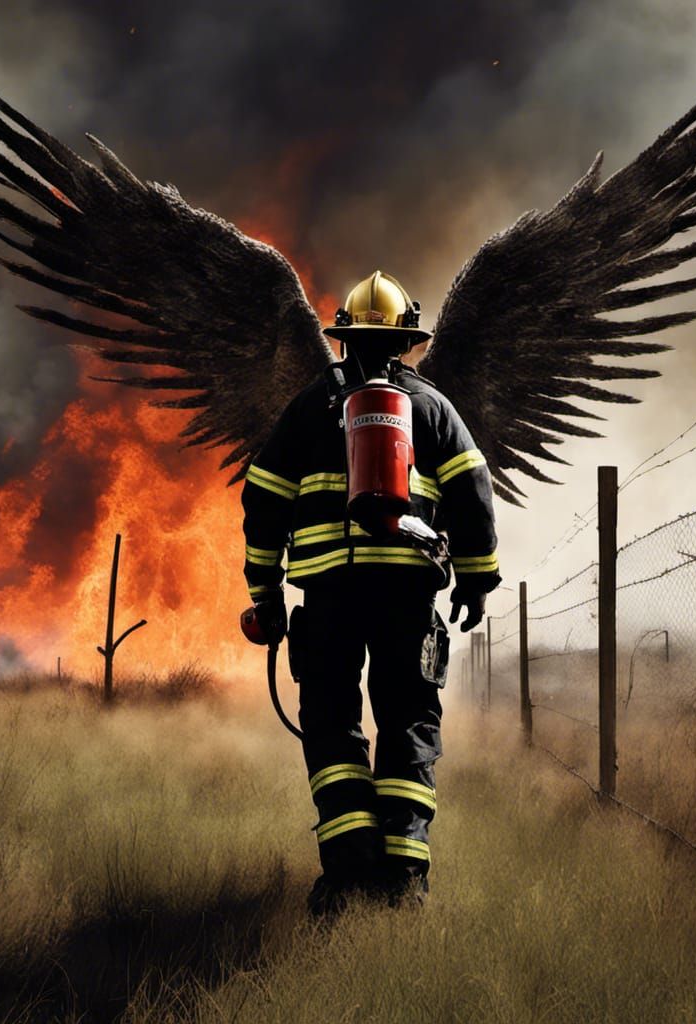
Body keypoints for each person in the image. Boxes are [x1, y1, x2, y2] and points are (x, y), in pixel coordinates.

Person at [240, 271, 500, 914]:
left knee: (330, 721)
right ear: (408, 341)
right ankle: (407, 876)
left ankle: (347, 868)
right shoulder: (433, 408)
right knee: (408, 718)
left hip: (328, 594)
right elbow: (473, 491)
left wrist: (265, 589)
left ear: (342, 338)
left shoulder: (308, 408)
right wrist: (476, 578)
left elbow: (264, 499)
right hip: (407, 595)